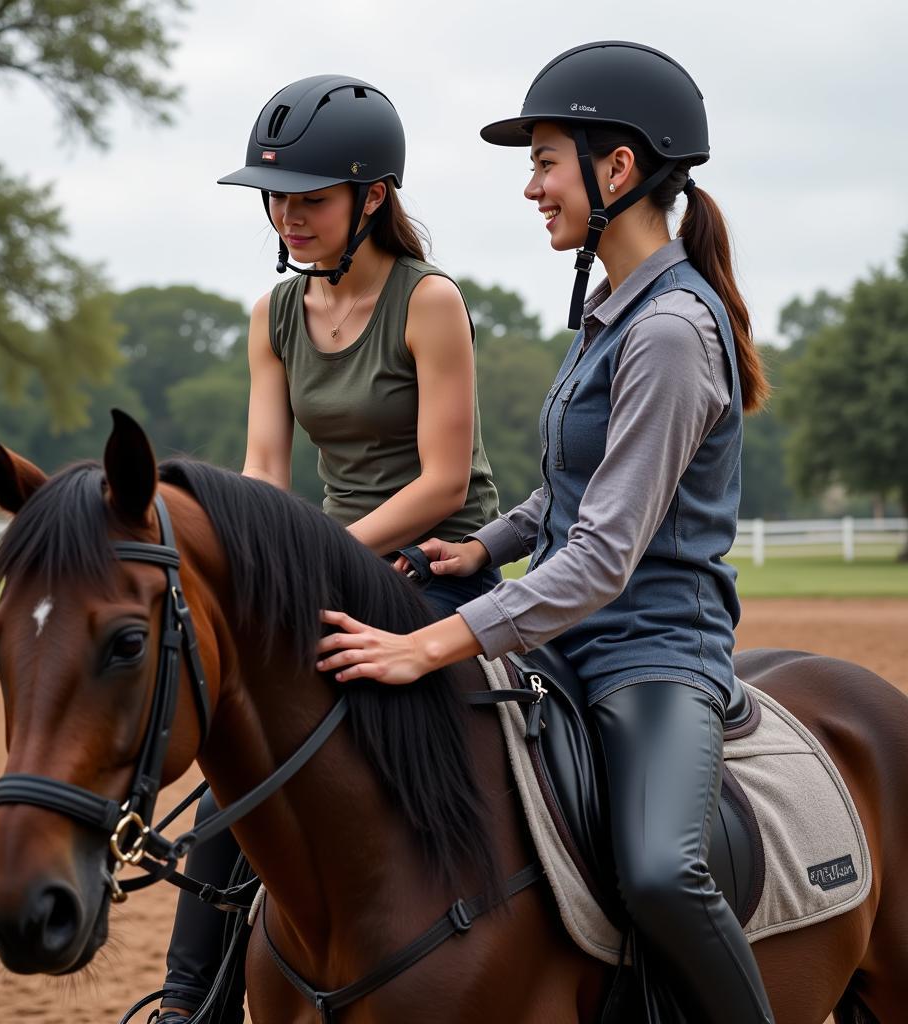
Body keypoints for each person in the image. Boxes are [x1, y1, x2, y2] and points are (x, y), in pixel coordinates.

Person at [316, 42, 775, 1023]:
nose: (531, 187)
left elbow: (605, 556)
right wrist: (485, 546)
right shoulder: (608, 311)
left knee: (659, 873)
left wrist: (433, 638)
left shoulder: (668, 332)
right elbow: (571, 494)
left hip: (653, 652)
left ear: (616, 171)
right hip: (565, 636)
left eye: (545, 162)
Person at [144, 74, 500, 1023]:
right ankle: (191, 1001)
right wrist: (263, 571)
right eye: (277, 197)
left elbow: (444, 481)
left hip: (440, 562)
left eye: (310, 197)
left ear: (372, 196)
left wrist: (321, 557)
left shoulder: (430, 302)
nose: (287, 216)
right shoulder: (273, 314)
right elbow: (265, 466)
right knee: (242, 735)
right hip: (329, 562)